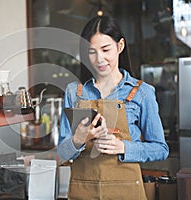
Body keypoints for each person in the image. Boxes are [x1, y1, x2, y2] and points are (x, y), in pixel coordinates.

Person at [57, 15, 169, 199]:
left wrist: (123, 147)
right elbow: (62, 153)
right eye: (92, 52)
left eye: (105, 49)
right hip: (83, 191)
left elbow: (161, 149)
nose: (99, 59)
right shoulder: (74, 92)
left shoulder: (142, 93)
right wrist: (77, 140)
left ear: (120, 46)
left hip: (126, 192)